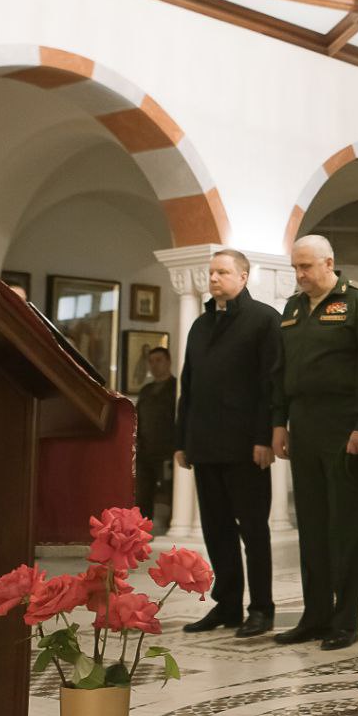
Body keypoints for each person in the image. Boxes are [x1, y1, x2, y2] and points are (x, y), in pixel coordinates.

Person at [271, 235, 358, 651]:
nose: (300, 275)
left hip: (344, 425)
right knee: (312, 525)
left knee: (345, 527)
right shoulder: (292, 308)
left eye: (306, 266)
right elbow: (280, 370)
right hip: (303, 422)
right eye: (295, 267)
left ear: (328, 262)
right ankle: (315, 615)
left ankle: (345, 620)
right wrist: (278, 422)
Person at [176, 249, 282, 638]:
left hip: (245, 446)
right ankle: (228, 605)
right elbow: (188, 385)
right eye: (211, 272)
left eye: (222, 272)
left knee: (253, 530)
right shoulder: (201, 325)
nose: (214, 278)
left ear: (244, 276)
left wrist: (264, 437)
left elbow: (270, 384)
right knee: (216, 529)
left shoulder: (264, 320)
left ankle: (262, 608)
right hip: (205, 444)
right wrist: (182, 439)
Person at [134, 346, 176, 523]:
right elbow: (137, 417)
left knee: (170, 493)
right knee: (142, 494)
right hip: (145, 450)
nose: (154, 365)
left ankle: (173, 527)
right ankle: (142, 529)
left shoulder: (176, 387)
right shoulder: (146, 390)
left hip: (167, 451)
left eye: (159, 360)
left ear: (168, 361)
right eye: (151, 361)